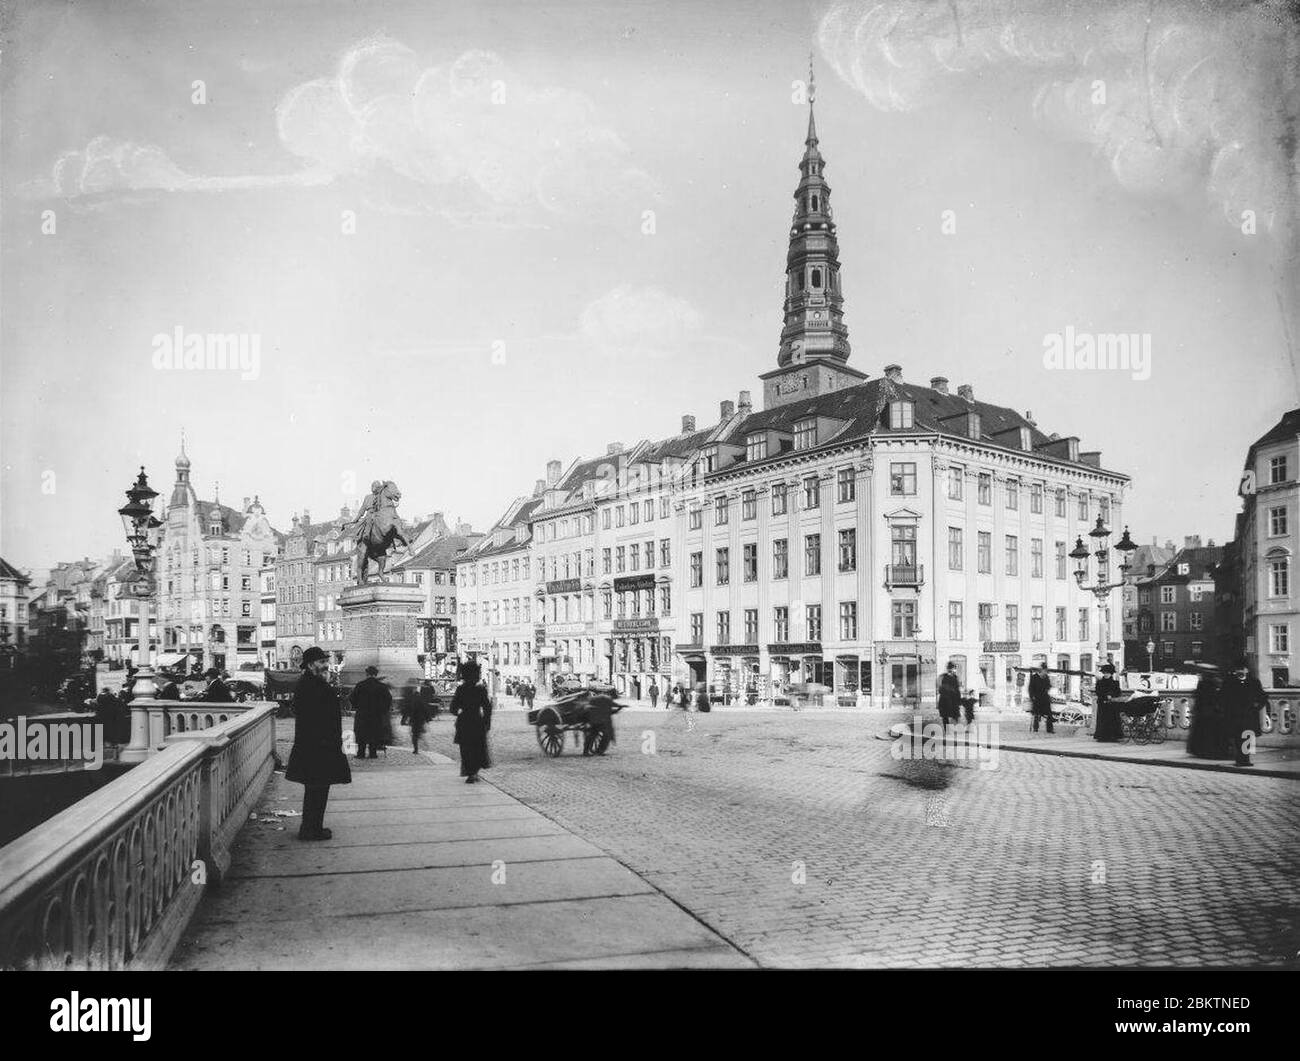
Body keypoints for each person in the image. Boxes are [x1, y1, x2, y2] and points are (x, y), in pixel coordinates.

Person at [285, 646, 351, 841]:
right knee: (317, 790)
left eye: (326, 662)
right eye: (322, 662)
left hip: (316, 746)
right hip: (318, 747)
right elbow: (316, 716)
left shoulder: (310, 682)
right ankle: (310, 830)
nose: (326, 665)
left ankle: (313, 827)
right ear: (311, 664)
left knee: (316, 790)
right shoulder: (312, 685)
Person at [1219, 658, 1267, 767]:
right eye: (1238, 669)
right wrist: (1226, 709)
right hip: (1234, 716)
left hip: (1249, 715)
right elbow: (1222, 697)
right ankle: (1239, 760)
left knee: (1248, 738)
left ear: (1247, 670)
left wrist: (1257, 706)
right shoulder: (1229, 682)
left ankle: (1246, 759)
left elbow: (1263, 697)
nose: (1240, 671)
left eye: (1242, 669)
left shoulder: (1254, 682)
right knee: (1237, 738)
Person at [451, 660, 493, 783]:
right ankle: (474, 772)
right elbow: (487, 707)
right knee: (477, 748)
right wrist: (487, 722)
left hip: (464, 722)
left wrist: (459, 712)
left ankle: (470, 772)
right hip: (477, 722)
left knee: (466, 749)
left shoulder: (461, 689)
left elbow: (453, 708)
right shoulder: (480, 690)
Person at [1188, 665, 1230, 759]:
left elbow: (1199, 697)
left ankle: (1202, 750)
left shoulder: (1203, 683)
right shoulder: (1215, 683)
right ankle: (1211, 751)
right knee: (1210, 733)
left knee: (1204, 733)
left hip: (1204, 712)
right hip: (1211, 712)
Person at [351, 665, 392, 759]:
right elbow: (388, 699)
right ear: (376, 674)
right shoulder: (382, 686)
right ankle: (373, 753)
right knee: (374, 733)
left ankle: (361, 753)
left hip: (362, 714)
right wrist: (383, 710)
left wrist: (358, 706)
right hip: (376, 715)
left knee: (361, 734)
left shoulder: (360, 685)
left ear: (367, 674)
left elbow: (352, 698)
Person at [1092, 664, 1123, 742]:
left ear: (1111, 673)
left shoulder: (1115, 682)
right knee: (1102, 720)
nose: (1106, 674)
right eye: (1104, 673)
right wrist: (1106, 696)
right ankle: (1102, 736)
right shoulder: (1100, 682)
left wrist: (1111, 695)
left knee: (1113, 720)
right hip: (1102, 703)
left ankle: (1113, 736)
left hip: (1112, 704)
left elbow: (1118, 692)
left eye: (1107, 673)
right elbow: (1098, 692)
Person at [400, 682, 428, 754]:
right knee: (417, 733)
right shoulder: (421, 700)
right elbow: (425, 709)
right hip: (420, 719)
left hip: (414, 719)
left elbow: (408, 710)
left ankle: (416, 748)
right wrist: (427, 718)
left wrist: (406, 719)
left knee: (414, 734)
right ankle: (420, 744)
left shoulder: (411, 700)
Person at [1028, 662, 1055, 733]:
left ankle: (1050, 729)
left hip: (1044, 698)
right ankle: (1035, 728)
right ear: (1041, 670)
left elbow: (1049, 686)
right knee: (1036, 714)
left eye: (1046, 671)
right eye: (1045, 670)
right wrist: (1032, 697)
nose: (1045, 672)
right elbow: (1030, 688)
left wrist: (1047, 685)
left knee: (1049, 714)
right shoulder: (1034, 677)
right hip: (1036, 698)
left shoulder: (1046, 677)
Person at [937, 662, 962, 729]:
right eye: (954, 668)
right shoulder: (942, 677)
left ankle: (951, 729)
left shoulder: (956, 677)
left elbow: (957, 689)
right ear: (950, 669)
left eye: (955, 668)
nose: (955, 670)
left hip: (953, 699)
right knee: (945, 716)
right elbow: (939, 688)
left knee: (955, 715)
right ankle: (948, 730)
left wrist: (959, 700)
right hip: (945, 699)